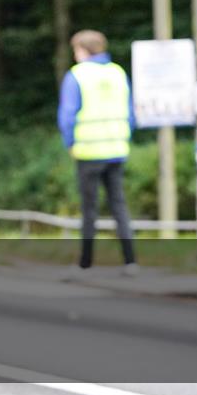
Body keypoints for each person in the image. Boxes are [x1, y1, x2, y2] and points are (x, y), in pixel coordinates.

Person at [58, 30, 138, 276]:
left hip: (89, 152)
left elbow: (67, 116)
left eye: (76, 50)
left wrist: (70, 143)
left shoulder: (77, 75)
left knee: (89, 210)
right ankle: (130, 262)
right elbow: (131, 112)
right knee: (119, 206)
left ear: (82, 50)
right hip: (116, 149)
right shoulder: (118, 72)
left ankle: (85, 263)